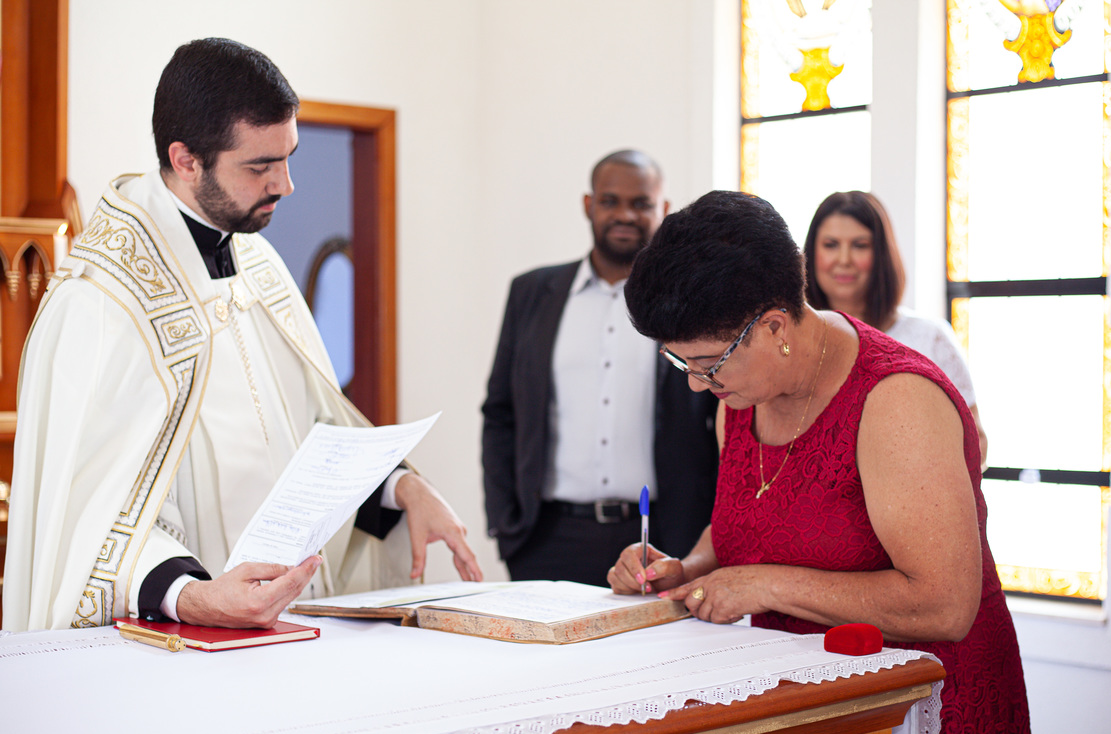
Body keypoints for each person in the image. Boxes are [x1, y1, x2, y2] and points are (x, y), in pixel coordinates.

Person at [3, 38, 482, 633]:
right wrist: (194, 596)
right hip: (180, 646)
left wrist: (401, 488)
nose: (286, 184)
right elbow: (87, 521)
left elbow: (310, 432)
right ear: (186, 160)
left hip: (292, 625)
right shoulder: (101, 303)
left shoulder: (257, 262)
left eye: (288, 157)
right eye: (260, 167)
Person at [608, 191, 1035, 734]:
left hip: (923, 709)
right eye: (683, 366)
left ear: (774, 326)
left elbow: (945, 606)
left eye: (706, 364)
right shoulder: (744, 394)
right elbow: (750, 523)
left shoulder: (897, 400)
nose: (699, 386)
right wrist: (686, 568)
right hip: (811, 707)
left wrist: (762, 585)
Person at [482, 150, 719, 587]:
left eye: (641, 203)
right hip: (545, 539)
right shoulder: (531, 293)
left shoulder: (693, 302)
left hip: (663, 538)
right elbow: (500, 413)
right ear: (589, 204)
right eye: (610, 201)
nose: (625, 215)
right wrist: (505, 522)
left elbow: (721, 410)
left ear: (664, 209)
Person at [803, 190, 988, 465]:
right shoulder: (792, 343)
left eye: (860, 245)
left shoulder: (929, 338)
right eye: (830, 245)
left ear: (882, 254)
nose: (844, 259)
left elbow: (976, 446)